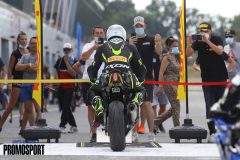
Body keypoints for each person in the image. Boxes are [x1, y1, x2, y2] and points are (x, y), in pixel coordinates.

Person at [87, 24, 150, 141]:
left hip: (107, 76)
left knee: (91, 90)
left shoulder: (102, 47)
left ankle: (99, 108)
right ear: (123, 35)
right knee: (142, 90)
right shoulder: (131, 47)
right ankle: (135, 103)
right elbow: (141, 68)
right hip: (127, 76)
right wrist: (140, 80)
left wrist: (93, 80)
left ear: (109, 35)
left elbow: (92, 68)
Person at [186, 22, 235, 142]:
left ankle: (222, 131)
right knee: (209, 106)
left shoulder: (216, 39)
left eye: (205, 31)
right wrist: (189, 43)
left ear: (210, 31)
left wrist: (207, 41)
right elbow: (188, 54)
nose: (203, 33)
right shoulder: (198, 43)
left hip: (220, 80)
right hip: (207, 80)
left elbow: (219, 51)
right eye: (201, 31)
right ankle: (212, 132)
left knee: (221, 106)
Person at [129, 16, 162, 136]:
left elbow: (159, 52)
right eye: (136, 26)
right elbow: (126, 56)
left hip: (147, 77)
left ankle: (151, 132)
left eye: (140, 26)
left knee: (147, 104)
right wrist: (130, 44)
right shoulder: (131, 41)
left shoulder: (151, 39)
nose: (138, 28)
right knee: (133, 105)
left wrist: (158, 42)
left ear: (145, 26)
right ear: (134, 27)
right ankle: (133, 132)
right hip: (133, 77)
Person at [73, 26, 105, 143]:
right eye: (97, 33)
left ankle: (103, 131)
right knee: (91, 107)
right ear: (93, 35)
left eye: (101, 33)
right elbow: (83, 58)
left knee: (102, 107)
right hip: (88, 80)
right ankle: (94, 133)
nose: (99, 35)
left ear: (104, 34)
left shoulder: (108, 45)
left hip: (104, 80)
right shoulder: (88, 45)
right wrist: (94, 47)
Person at [0, 31, 28, 132]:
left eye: (25, 39)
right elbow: (9, 69)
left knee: (28, 106)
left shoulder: (29, 52)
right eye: (22, 39)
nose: (24, 41)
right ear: (18, 41)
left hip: (28, 81)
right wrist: (10, 83)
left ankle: (23, 129)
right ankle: (0, 125)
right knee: (11, 106)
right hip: (17, 81)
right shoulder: (15, 53)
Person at [54, 43, 82, 133]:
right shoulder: (59, 60)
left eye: (68, 49)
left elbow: (74, 73)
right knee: (63, 107)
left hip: (70, 87)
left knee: (66, 106)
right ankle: (74, 126)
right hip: (61, 86)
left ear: (71, 50)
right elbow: (56, 70)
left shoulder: (74, 60)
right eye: (65, 49)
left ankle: (62, 125)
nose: (66, 51)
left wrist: (67, 62)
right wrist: (56, 79)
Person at [154, 36, 180, 130]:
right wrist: (160, 85)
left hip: (176, 83)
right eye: (174, 46)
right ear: (169, 47)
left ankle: (156, 121)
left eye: (177, 45)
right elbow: (161, 72)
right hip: (168, 83)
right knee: (176, 105)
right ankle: (177, 127)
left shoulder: (176, 57)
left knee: (174, 107)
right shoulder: (167, 58)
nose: (176, 47)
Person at [15, 36, 38, 132]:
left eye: (35, 43)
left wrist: (24, 67)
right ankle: (26, 129)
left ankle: (34, 129)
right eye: (32, 43)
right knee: (28, 109)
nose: (34, 45)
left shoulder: (39, 56)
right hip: (26, 86)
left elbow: (35, 68)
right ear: (29, 44)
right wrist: (28, 65)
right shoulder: (25, 56)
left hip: (36, 86)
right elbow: (17, 67)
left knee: (38, 109)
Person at [152, 50, 169, 133]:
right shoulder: (151, 53)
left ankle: (159, 122)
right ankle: (154, 126)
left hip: (164, 83)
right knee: (153, 105)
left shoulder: (165, 52)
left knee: (163, 106)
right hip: (153, 83)